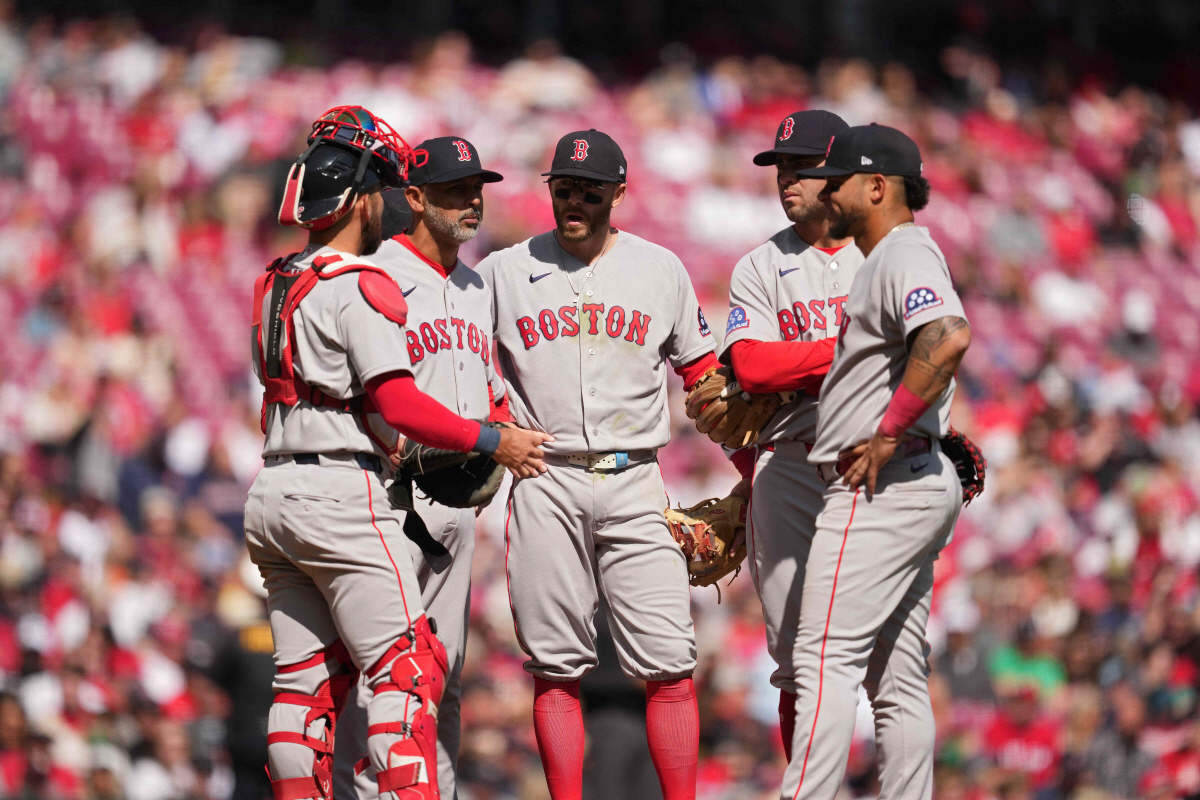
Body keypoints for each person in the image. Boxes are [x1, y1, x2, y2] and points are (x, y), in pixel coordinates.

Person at [244, 107, 550, 800]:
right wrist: (489, 438)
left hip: (275, 492)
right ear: (363, 200)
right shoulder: (361, 281)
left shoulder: (276, 281)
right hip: (346, 495)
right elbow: (398, 405)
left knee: (302, 691)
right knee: (408, 671)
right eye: (382, 190)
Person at [475, 129, 721, 800]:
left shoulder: (660, 268)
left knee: (670, 660)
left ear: (617, 193)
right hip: (543, 474)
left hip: (637, 474)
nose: (574, 199)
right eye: (563, 187)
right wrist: (492, 421)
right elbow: (460, 359)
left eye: (589, 189)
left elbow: (703, 375)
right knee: (554, 664)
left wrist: (751, 469)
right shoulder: (503, 270)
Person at [782, 124, 971, 799]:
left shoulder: (899, 252)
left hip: (880, 484)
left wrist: (891, 430)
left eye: (837, 182)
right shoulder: (896, 257)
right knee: (896, 678)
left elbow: (948, 336)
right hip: (913, 476)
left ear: (877, 186)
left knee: (824, 658)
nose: (825, 192)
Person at [335, 136, 509, 800]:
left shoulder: (475, 284)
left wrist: (498, 424)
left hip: (456, 505)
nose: (470, 201)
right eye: (453, 190)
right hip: (389, 499)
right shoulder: (376, 272)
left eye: (476, 188)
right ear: (413, 199)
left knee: (448, 675)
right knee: (379, 668)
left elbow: (489, 385)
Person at [717, 110, 865, 762]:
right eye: (780, 168)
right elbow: (750, 365)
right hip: (789, 463)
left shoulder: (881, 253)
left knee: (882, 653)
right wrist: (850, 353)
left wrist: (799, 362)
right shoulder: (760, 264)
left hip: (872, 459)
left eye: (801, 168)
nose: (786, 181)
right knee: (793, 656)